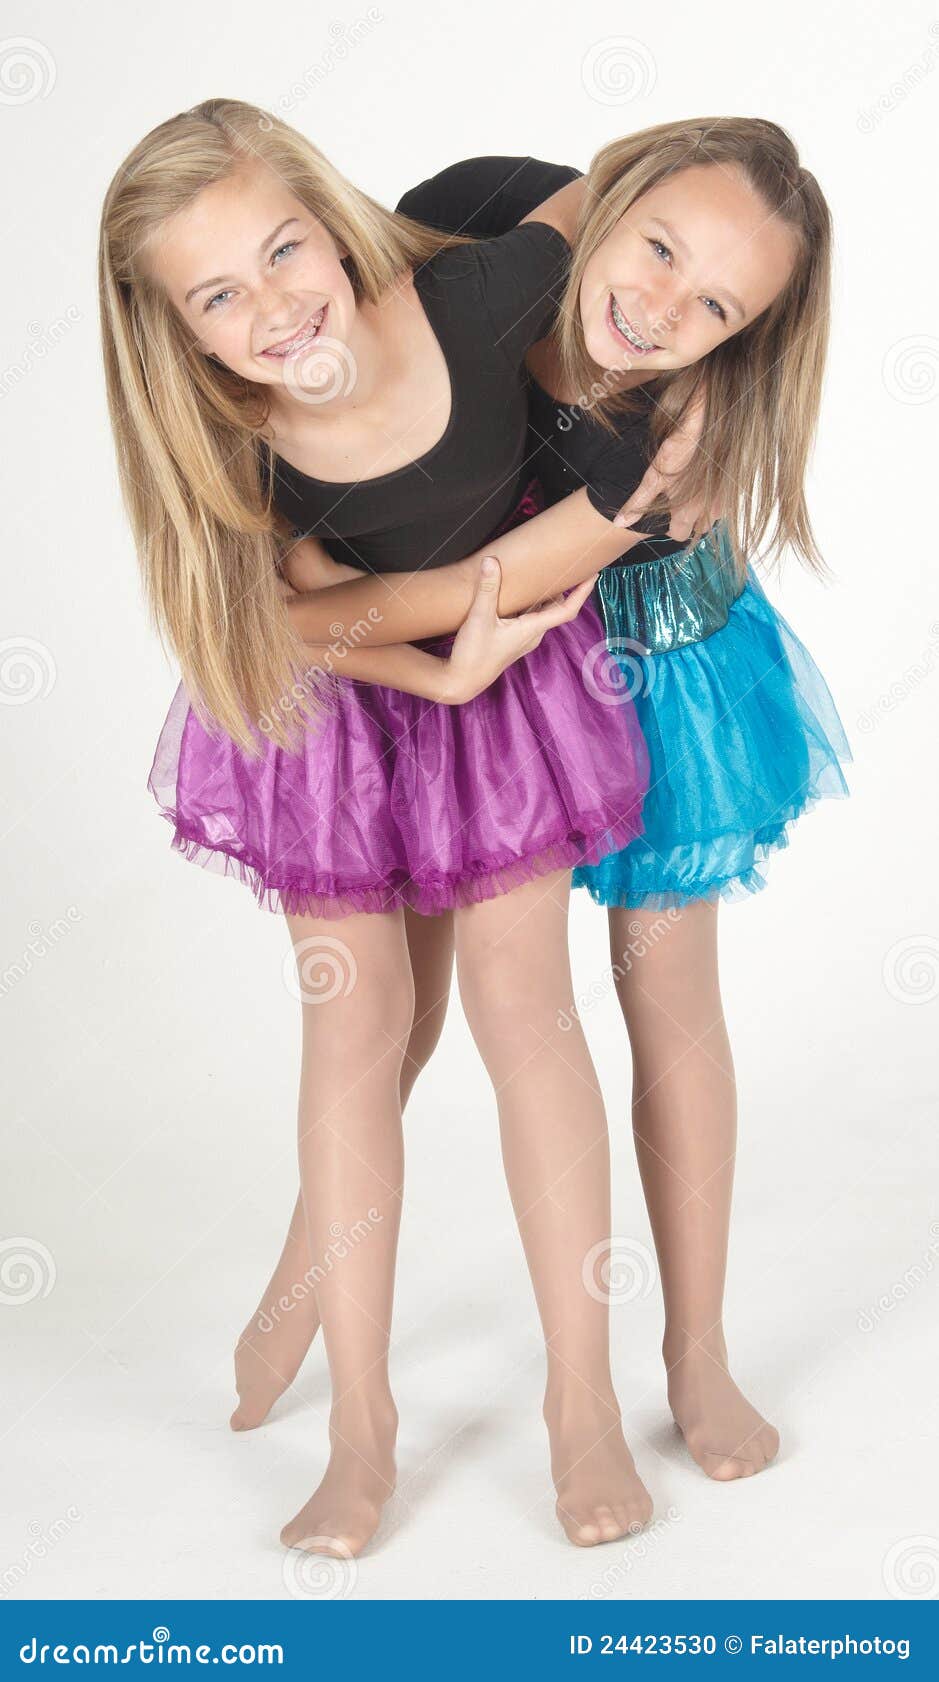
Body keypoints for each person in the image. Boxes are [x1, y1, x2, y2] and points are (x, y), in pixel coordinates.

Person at [101, 98, 677, 1560]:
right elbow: (275, 620)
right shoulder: (229, 433)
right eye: (217, 295)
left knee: (520, 1010)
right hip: (339, 710)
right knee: (359, 1028)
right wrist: (431, 663)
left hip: (513, 701)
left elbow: (625, 186)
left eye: (283, 248)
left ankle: (580, 1401)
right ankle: (364, 1422)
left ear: (332, 211)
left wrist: (670, 388)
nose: (275, 305)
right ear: (179, 332)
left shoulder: (472, 298)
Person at [250, 117, 849, 1489]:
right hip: (471, 656)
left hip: (633, 633)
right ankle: (308, 1276)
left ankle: (690, 1351)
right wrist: (289, 606)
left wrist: (300, 618)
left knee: (664, 987)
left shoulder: (673, 435)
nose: (662, 310)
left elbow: (496, 583)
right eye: (657, 250)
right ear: (612, 197)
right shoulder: (483, 217)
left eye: (718, 309)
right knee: (388, 1007)